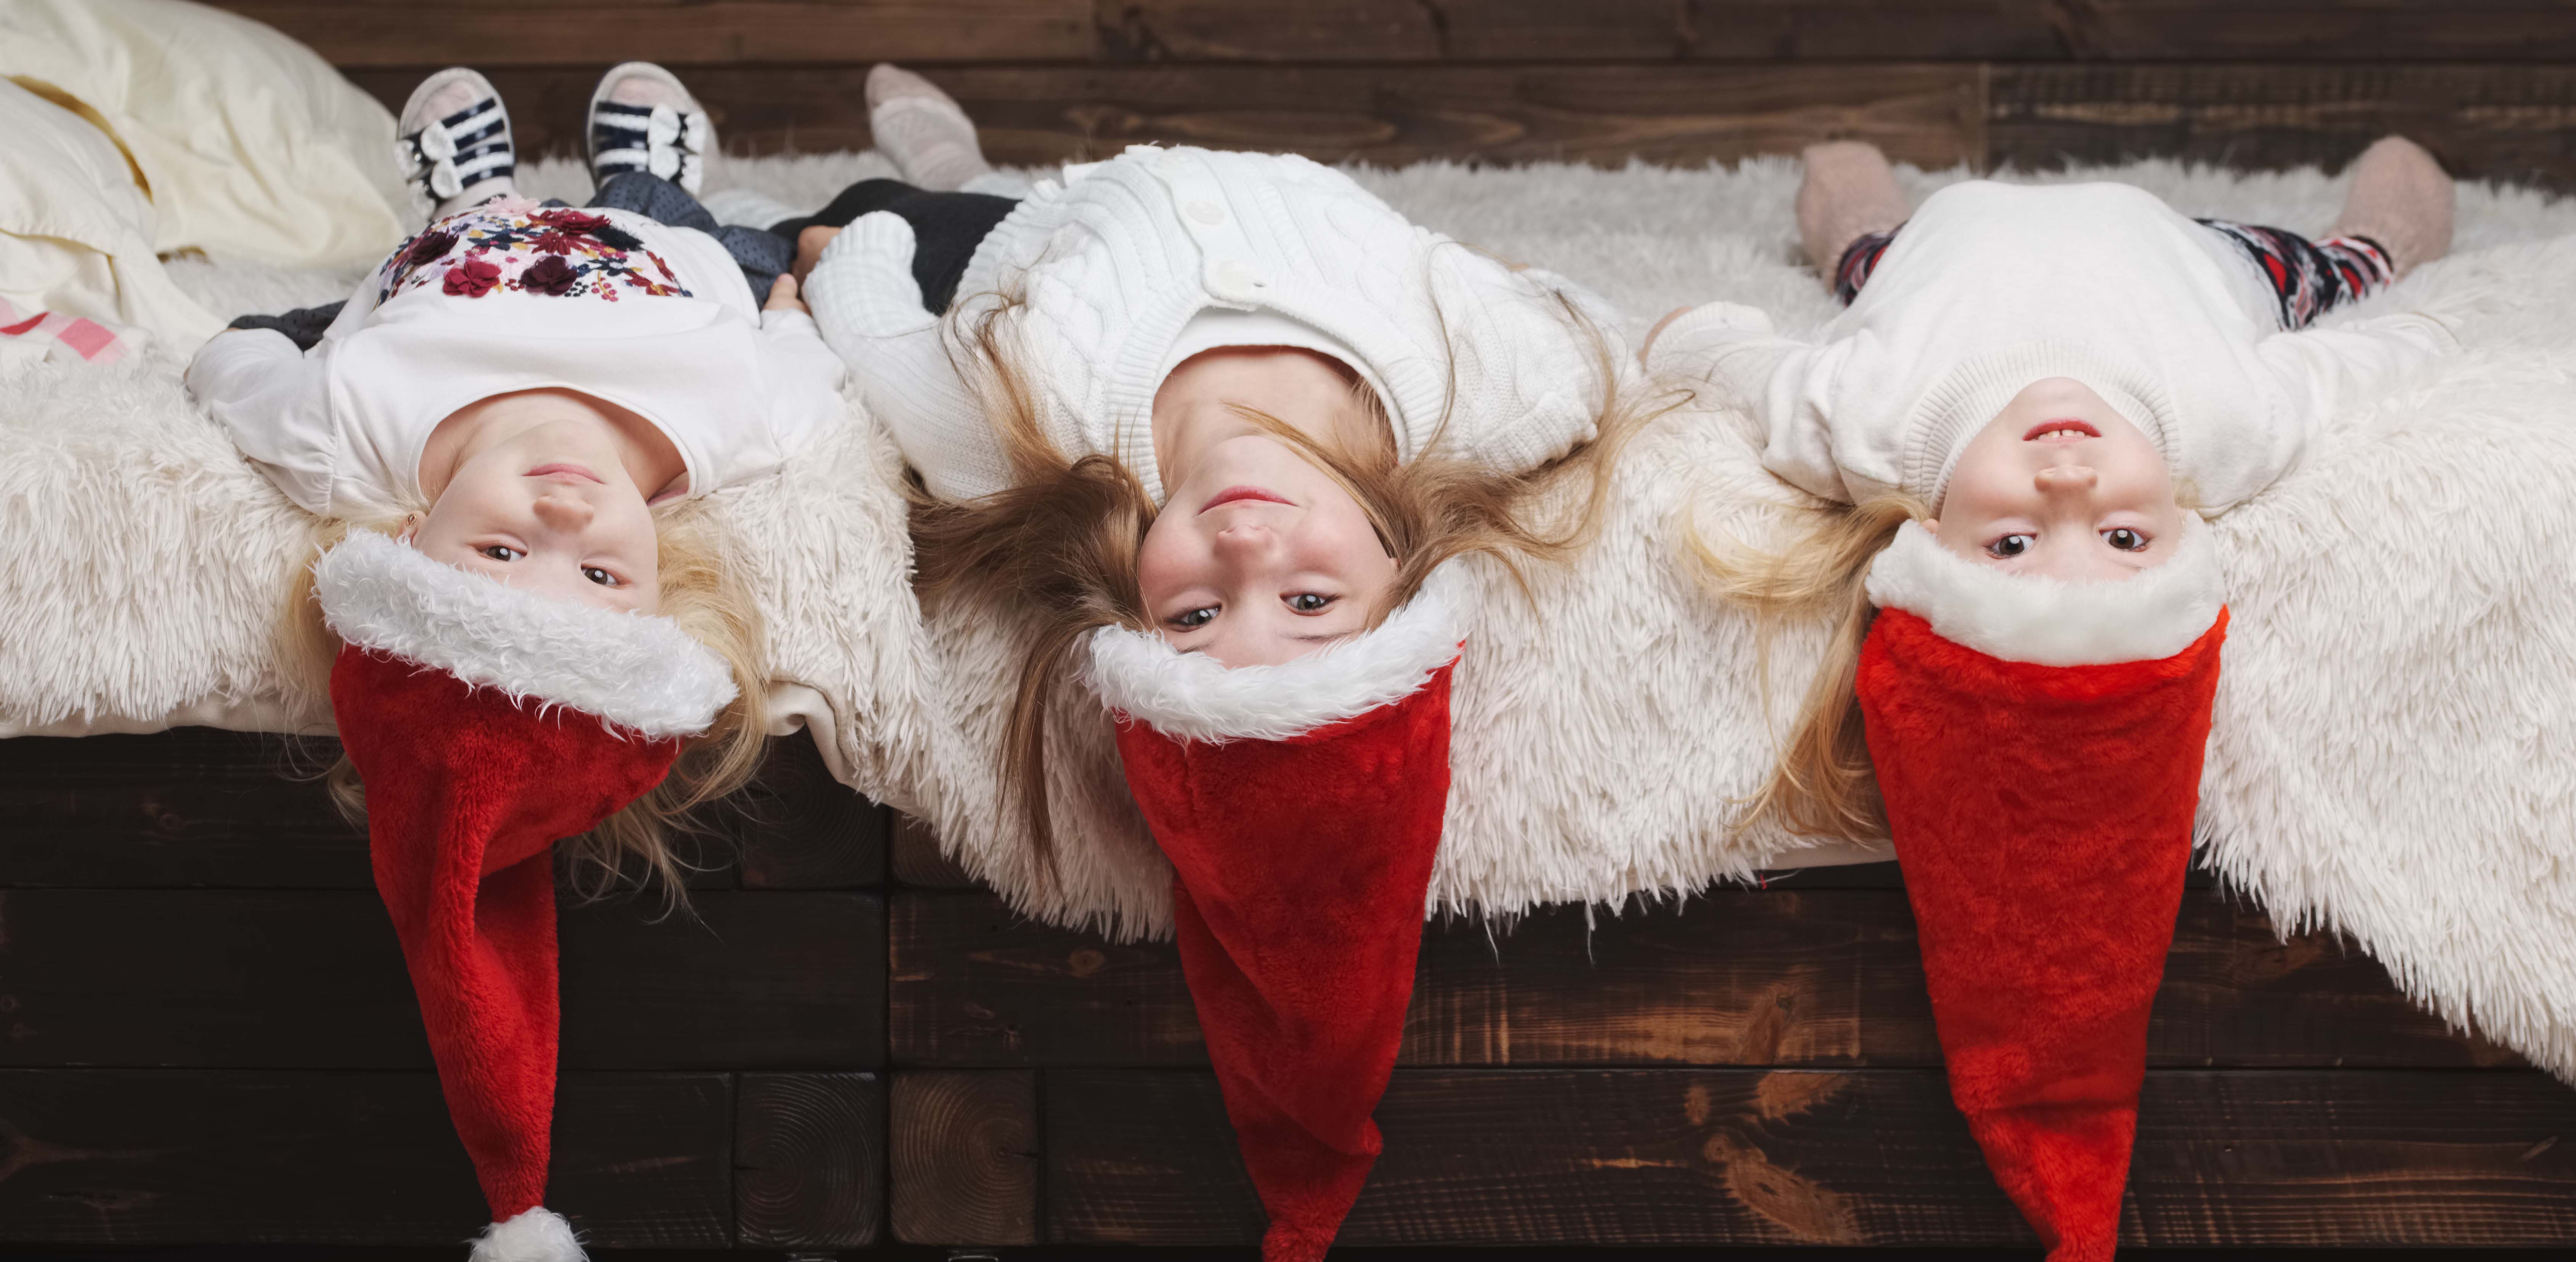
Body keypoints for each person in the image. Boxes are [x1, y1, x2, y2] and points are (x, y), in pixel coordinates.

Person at [798, 67, 1647, 1262]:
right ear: (1401, 566)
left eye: (1195, 614)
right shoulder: (1485, 400)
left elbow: (872, 318)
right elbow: (1591, 332)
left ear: (1132, 600)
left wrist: (858, 250)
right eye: (1310, 602)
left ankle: (948, 178)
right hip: (1270, 210)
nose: (1247, 548)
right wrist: (1504, 283)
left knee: (876, 216)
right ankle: (963, 171)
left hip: (1043, 239)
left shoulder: (1026, 432)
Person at [182, 63, 843, 1262]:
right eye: (602, 578)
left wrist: (281, 340)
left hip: (460, 265)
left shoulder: (346, 433)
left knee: (428, 248)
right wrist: (791, 312)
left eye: (495, 553)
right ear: (657, 579)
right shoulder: (733, 424)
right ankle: (647, 175)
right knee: (731, 249)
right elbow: (806, 367)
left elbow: (231, 370)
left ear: (408, 536)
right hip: (652, 259)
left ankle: (467, 192)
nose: (562, 519)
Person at [1650, 136, 2459, 843]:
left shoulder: (1869, 426)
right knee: (2350, 269)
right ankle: (2386, 224)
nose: (2069, 480)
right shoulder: (2229, 424)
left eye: (2012, 544)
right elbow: (2360, 362)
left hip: (1933, 246)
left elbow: (1735, 359)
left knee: (1862, 253)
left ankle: (1855, 191)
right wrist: (2426, 333)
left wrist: (1686, 337)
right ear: (2186, 527)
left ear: (1928, 541)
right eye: (2123, 538)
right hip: (2196, 252)